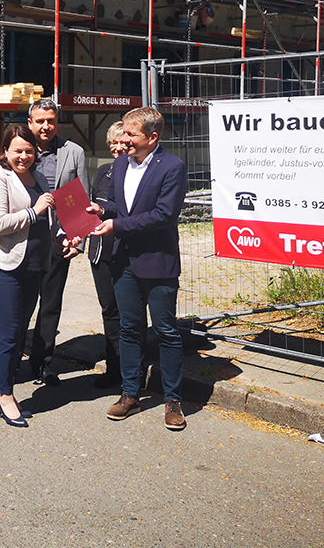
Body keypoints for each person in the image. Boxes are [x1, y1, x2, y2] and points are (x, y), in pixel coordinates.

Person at [88, 107, 188, 430]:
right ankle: (130, 393)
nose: (124, 139)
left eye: (131, 134)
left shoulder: (172, 167)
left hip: (157, 262)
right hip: (124, 262)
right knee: (130, 328)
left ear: (152, 137)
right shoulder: (119, 165)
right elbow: (123, 207)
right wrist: (102, 208)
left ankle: (173, 399)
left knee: (165, 330)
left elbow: (163, 215)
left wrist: (116, 224)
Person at [0, 125, 77, 427]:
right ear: (4, 151)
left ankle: (3, 384)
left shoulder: (40, 177)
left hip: (33, 265)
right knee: (9, 332)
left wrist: (62, 238)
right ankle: (4, 394)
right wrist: (34, 211)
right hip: (1, 267)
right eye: (17, 150)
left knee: (20, 331)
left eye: (29, 151)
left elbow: (49, 219)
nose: (23, 156)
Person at [26, 98, 89, 386]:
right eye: (40, 121)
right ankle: (12, 359)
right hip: (24, 239)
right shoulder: (20, 150)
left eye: (50, 120)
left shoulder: (72, 151)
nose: (46, 126)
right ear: (30, 123)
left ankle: (42, 364)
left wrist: (78, 241)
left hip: (59, 240)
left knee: (50, 305)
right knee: (20, 305)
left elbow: (81, 198)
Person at [87, 121, 138, 389]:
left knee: (131, 313)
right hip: (101, 252)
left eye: (123, 142)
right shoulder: (103, 172)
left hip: (128, 252)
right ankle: (114, 368)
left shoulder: (139, 173)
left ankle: (133, 370)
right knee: (109, 311)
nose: (117, 147)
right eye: (112, 143)